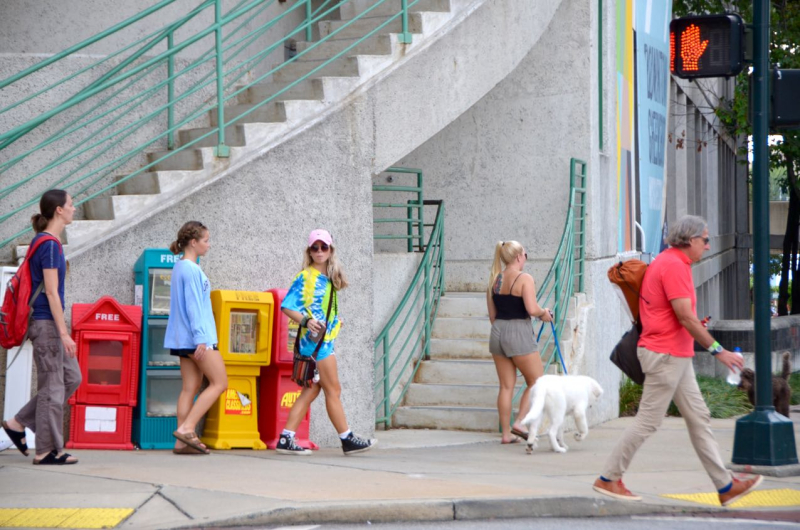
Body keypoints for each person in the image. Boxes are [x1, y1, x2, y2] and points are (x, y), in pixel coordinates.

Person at [593, 215, 762, 506]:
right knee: (648, 420)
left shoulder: (668, 261)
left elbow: (678, 316)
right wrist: (718, 350)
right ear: (690, 240)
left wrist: (697, 327)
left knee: (699, 417)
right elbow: (684, 316)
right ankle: (609, 478)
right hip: (666, 355)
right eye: (705, 240)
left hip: (674, 355)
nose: (708, 246)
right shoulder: (675, 267)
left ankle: (725, 486)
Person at [276, 229, 376, 456]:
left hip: (321, 341)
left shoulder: (328, 278)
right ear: (309, 251)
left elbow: (322, 308)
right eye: (315, 247)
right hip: (316, 344)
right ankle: (347, 439)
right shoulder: (305, 276)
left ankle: (286, 437)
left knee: (310, 392)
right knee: (334, 389)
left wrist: (335, 322)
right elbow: (287, 305)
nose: (319, 251)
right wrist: (306, 321)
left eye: (324, 247)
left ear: (331, 250)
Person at [2, 189, 81, 465]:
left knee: (71, 378)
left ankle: (17, 422)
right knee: (51, 387)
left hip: (49, 322)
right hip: (47, 323)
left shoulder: (49, 242)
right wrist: (64, 333)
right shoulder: (48, 245)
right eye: (71, 204)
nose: (74, 207)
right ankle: (45, 451)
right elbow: (51, 292)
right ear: (58, 210)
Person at [164, 221, 228, 455]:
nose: (209, 245)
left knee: (189, 388)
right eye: (206, 240)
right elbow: (194, 307)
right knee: (220, 383)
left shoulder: (180, 267)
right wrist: (202, 339)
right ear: (194, 242)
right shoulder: (191, 269)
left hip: (183, 339)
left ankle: (181, 443)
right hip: (197, 339)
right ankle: (187, 429)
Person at [486, 240, 553, 444]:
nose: (525, 258)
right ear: (518, 257)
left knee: (506, 386)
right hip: (518, 332)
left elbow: (492, 316)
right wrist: (545, 313)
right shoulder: (525, 278)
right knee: (537, 381)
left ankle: (506, 434)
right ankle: (520, 422)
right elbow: (532, 309)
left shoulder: (494, 280)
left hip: (497, 332)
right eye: (525, 255)